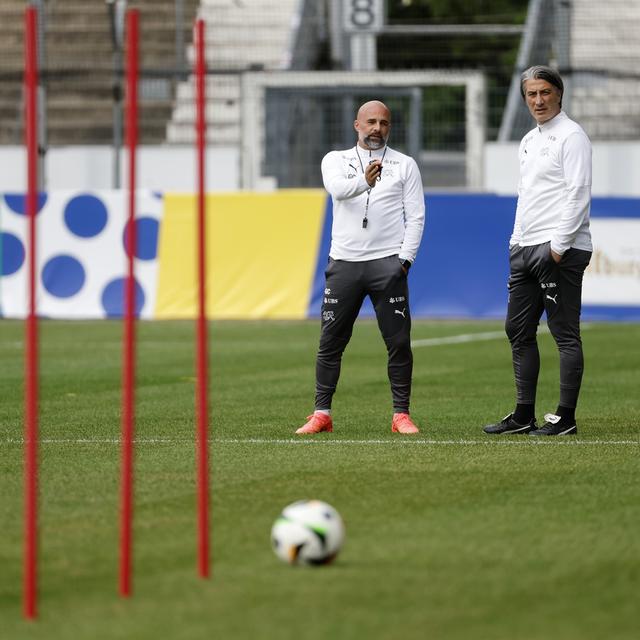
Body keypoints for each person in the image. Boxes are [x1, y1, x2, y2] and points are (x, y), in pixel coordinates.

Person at [296, 100, 425, 435]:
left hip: (387, 265)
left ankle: (401, 415)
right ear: (357, 125)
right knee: (331, 341)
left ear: (389, 127)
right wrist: (365, 182)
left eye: (383, 123)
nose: (376, 128)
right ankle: (321, 413)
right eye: (370, 122)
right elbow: (337, 190)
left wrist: (405, 261)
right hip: (344, 264)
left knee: (398, 342)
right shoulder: (335, 160)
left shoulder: (405, 165)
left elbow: (416, 216)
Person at [484, 65, 592, 437]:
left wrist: (558, 248)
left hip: (559, 248)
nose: (539, 100)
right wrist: (515, 242)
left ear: (558, 94)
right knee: (517, 329)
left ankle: (565, 417)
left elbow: (578, 193)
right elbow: (527, 195)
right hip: (525, 247)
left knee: (564, 333)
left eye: (545, 92)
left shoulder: (572, 136)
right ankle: (523, 414)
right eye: (531, 94)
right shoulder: (529, 139)